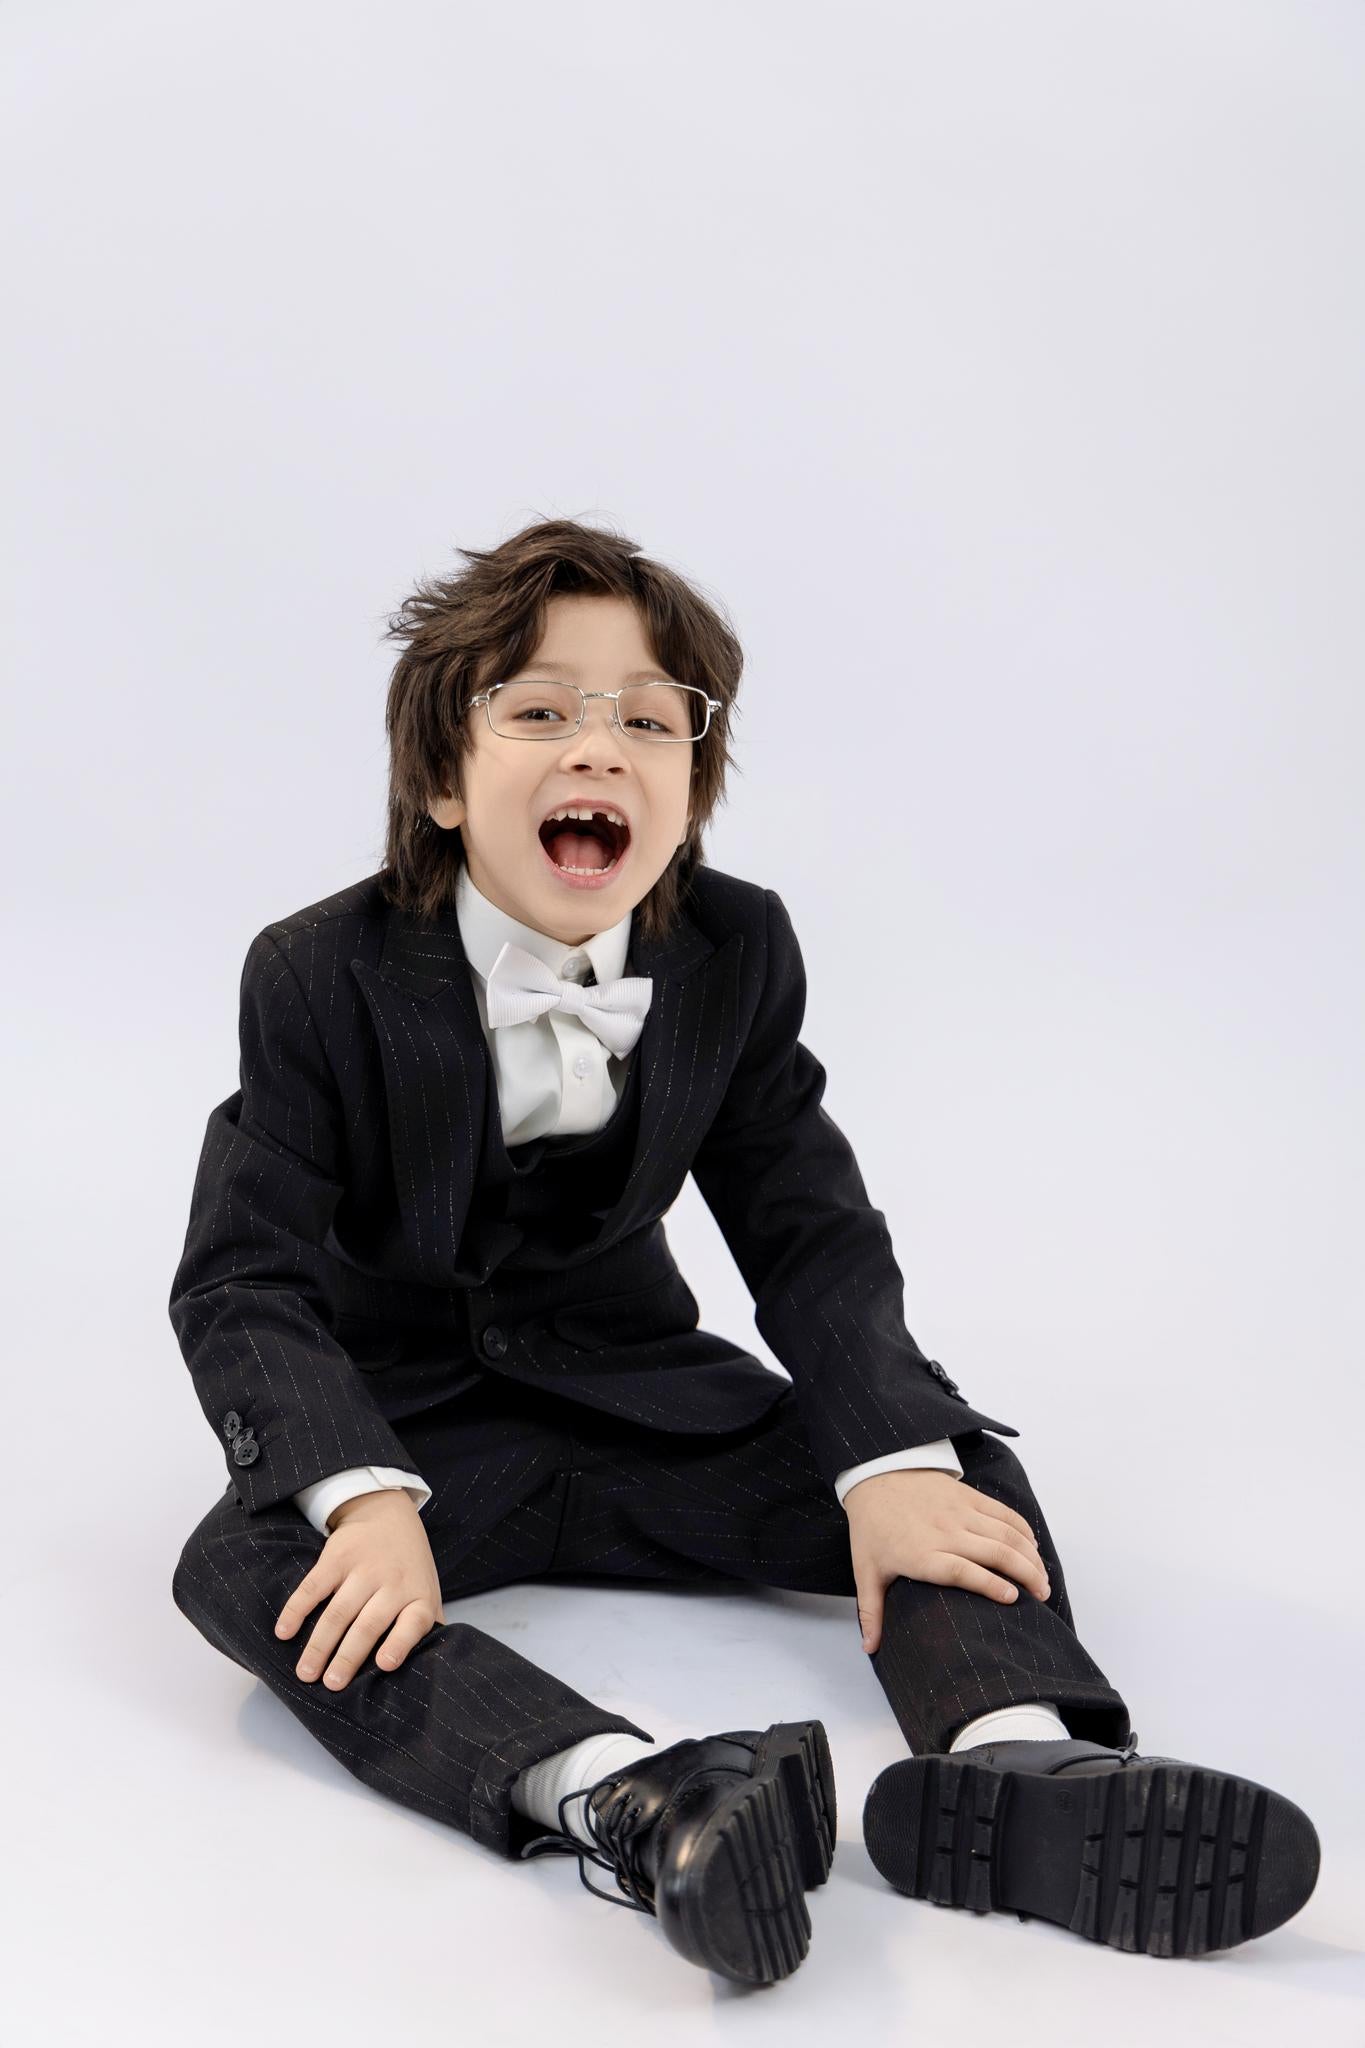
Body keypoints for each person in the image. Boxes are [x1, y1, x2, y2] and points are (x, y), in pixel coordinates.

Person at [169, 517, 1319, 1985]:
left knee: (945, 1471)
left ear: (691, 789)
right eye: (538, 710)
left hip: (639, 1401)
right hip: (419, 1431)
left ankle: (1017, 1762)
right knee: (242, 1565)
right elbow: (240, 1275)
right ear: (444, 781)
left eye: (647, 720)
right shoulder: (316, 972)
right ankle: (631, 1796)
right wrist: (361, 1494)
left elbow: (809, 1229)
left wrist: (887, 1466)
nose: (598, 745)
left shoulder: (734, 949)